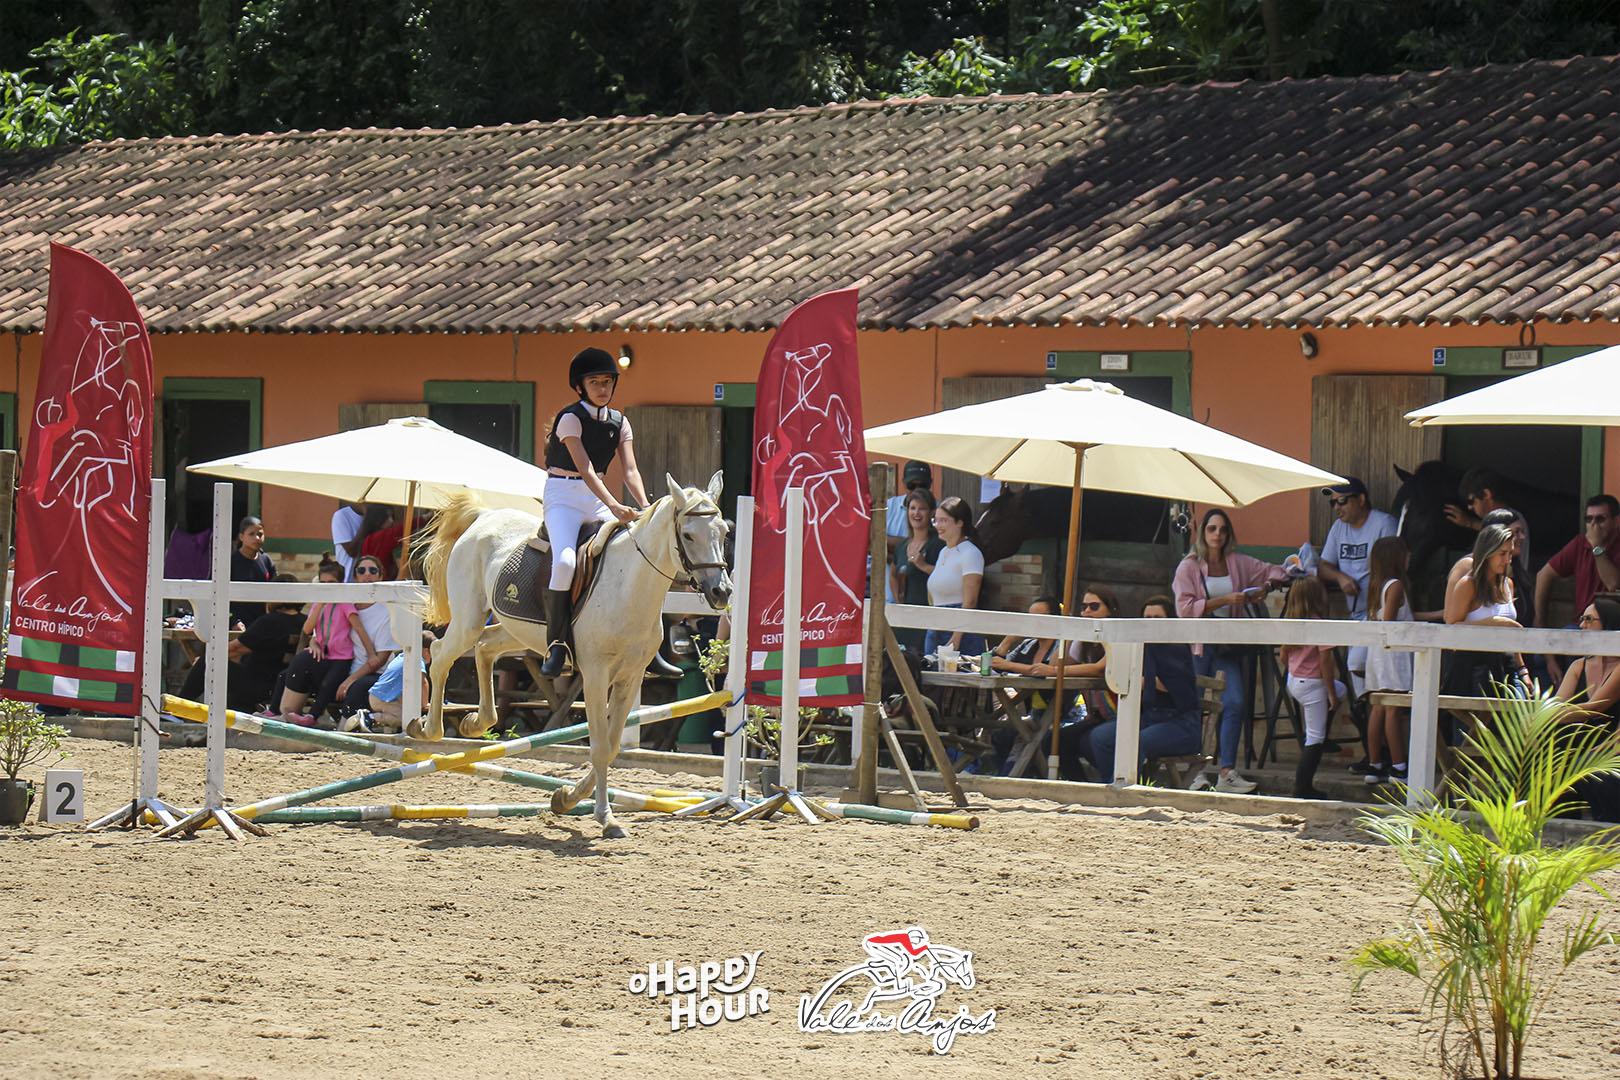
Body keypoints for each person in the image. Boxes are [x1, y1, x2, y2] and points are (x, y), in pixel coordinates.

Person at [539, 346, 660, 678]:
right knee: (565, 562)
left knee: (638, 554)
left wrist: (646, 508)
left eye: (607, 382)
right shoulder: (570, 419)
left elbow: (630, 470)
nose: (602, 388)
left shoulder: (620, 422)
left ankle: (651, 644)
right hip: (564, 496)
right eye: (595, 382)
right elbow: (586, 469)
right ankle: (557, 645)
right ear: (580, 386)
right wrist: (614, 505)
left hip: (597, 497)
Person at [1172, 508, 1286, 794]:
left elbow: (1277, 571)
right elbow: (1184, 609)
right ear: (1202, 532)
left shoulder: (1238, 562)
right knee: (1195, 706)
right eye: (1212, 529)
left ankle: (1227, 772)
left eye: (1223, 529)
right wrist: (1223, 600)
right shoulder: (1189, 566)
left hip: (1226, 645)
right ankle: (1193, 771)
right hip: (1199, 646)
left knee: (1234, 702)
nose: (1217, 535)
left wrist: (1266, 587)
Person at [1082, 602, 1201, 784]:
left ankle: (1126, 787)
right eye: (1147, 618)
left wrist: (1143, 681)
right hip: (1149, 717)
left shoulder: (1176, 648)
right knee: (1100, 737)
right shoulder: (1139, 646)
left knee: (1136, 742)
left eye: (1157, 618)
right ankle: (1111, 784)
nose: (1151, 622)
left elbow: (1178, 690)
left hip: (1180, 722)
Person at [1317, 476, 1398, 696]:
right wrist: (1340, 577)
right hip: (1355, 614)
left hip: (1379, 612)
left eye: (1342, 501)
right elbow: (1323, 567)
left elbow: (1394, 569)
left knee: (1356, 664)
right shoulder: (1338, 528)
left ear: (1361, 499)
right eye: (1333, 503)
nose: (1337, 507)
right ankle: (1366, 711)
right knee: (1359, 679)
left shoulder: (1384, 523)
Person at [180, 573, 304, 713]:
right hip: (285, 686)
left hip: (260, 687)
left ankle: (178, 709)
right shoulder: (305, 622)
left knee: (207, 662)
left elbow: (234, 649)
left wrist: (207, 660)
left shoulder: (269, 622)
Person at [274, 560, 369, 726]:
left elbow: (359, 628)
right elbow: (307, 629)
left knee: (328, 684)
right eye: (323, 583)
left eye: (331, 583)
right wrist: (319, 606)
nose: (327, 587)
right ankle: (276, 711)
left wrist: (371, 653)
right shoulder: (318, 605)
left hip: (341, 658)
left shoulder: (344, 604)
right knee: (285, 674)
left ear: (340, 584)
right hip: (324, 656)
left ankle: (313, 716)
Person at [1038, 586, 1117, 781]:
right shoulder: (1083, 641)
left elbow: (1098, 669)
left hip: (1120, 714)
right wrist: (1068, 633)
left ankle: (1111, 782)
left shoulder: (1118, 636)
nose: (1087, 611)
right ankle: (1080, 785)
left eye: (1094, 606)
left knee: (1089, 742)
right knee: (1053, 742)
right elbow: (1055, 664)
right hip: (1097, 716)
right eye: (1083, 607)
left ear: (1110, 610)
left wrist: (1055, 671)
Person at [1443, 524, 1530, 701]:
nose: (1508, 560)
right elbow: (1451, 626)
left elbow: (1512, 634)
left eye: (1510, 554)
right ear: (1487, 553)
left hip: (1507, 666)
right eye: (1502, 554)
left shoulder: (1507, 584)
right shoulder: (1468, 584)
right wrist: (1495, 623)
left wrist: (1522, 670)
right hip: (1473, 669)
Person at [1553, 595, 1620, 823]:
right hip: (1577, 740)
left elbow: (1593, 708)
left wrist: (1546, 715)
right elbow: (1559, 703)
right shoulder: (1578, 665)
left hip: (1607, 741)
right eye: (1581, 619)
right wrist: (1547, 716)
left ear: (1608, 625)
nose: (1582, 626)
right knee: (1545, 756)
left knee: (1586, 767)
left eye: (1589, 620)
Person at [1279, 577, 1341, 799]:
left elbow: (1284, 655)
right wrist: (1331, 694)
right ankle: (1302, 787)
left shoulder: (1292, 621)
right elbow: (1326, 663)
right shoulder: (1319, 624)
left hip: (1295, 680)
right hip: (1313, 684)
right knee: (1314, 737)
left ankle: (1321, 736)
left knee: (1342, 690)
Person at [1358, 537, 1413, 784]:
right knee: (1392, 708)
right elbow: (1391, 622)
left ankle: (1374, 764)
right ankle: (1399, 766)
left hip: (1377, 654)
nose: (1409, 557)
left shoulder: (1377, 586)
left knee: (1378, 706)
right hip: (1393, 654)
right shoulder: (1396, 585)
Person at [1535, 494, 1620, 631]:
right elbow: (1543, 575)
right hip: (1582, 625)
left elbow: (1613, 584)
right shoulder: (1580, 544)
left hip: (1612, 627)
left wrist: (1597, 547)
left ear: (1616, 521)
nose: (1594, 525)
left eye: (1600, 519)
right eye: (1589, 519)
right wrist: (1539, 620)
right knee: (1552, 641)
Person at [924, 496, 986, 658]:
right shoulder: (943, 552)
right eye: (936, 520)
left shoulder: (970, 553)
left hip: (959, 626)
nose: (938, 526)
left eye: (944, 521)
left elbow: (970, 601)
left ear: (960, 522)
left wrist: (957, 636)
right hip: (936, 623)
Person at [339, 554, 400, 713]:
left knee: (356, 687)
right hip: (345, 666)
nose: (367, 574)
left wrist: (350, 679)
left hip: (376, 673)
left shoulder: (386, 611)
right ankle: (289, 715)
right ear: (355, 577)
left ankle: (344, 726)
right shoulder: (347, 605)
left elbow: (380, 660)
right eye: (361, 571)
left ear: (380, 577)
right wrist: (313, 643)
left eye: (373, 571)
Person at [888, 488, 942, 652]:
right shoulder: (902, 546)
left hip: (928, 618)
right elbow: (893, 574)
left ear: (931, 513)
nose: (916, 513)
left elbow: (947, 576)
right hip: (904, 618)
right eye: (912, 508)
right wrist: (898, 599)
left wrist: (923, 566)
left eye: (922, 509)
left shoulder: (938, 544)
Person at [347, 632, 432, 734]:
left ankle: (373, 723)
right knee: (404, 718)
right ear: (426, 651)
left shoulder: (402, 657)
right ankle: (369, 718)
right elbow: (423, 682)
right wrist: (425, 704)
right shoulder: (418, 660)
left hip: (377, 695)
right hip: (383, 698)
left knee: (400, 713)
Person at [1444, 467, 1530, 568]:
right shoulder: (1516, 518)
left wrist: (1469, 523)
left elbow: (1498, 531)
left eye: (1471, 501)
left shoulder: (1513, 521)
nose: (1470, 507)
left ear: (1486, 494)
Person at [229, 515, 276, 626]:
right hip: (237, 623)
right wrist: (233, 621)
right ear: (241, 537)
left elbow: (276, 591)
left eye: (260, 534)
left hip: (261, 623)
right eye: (251, 534)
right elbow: (219, 596)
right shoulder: (231, 562)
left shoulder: (266, 560)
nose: (257, 538)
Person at [331, 501, 363, 581]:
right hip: (347, 579)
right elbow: (352, 551)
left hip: (366, 579)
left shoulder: (376, 517)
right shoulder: (341, 515)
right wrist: (368, 519)